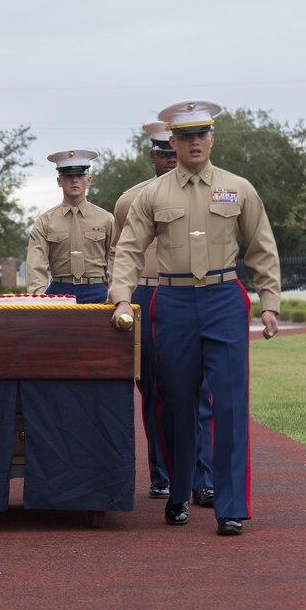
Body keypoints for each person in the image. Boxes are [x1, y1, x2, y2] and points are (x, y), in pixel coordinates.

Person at [110, 100, 280, 536]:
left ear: (212, 138)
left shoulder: (237, 187)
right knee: (176, 403)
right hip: (174, 302)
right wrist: (120, 297)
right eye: (186, 137)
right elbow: (129, 249)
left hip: (224, 298)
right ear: (174, 141)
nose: (195, 143)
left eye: (202, 135)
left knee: (228, 404)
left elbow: (261, 245)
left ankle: (230, 506)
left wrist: (270, 303)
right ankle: (180, 491)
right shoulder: (153, 194)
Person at [109, 123, 214, 504]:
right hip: (147, 295)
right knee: (156, 391)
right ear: (154, 155)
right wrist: (119, 297)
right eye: (164, 154)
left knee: (201, 391)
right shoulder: (130, 201)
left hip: (193, 293)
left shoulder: (208, 192)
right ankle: (162, 474)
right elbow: (119, 254)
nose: (171, 160)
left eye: (175, 153)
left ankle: (204, 477)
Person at [26, 149, 113, 304]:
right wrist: (37, 299)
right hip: (59, 292)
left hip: (97, 291)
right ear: (59, 181)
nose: (74, 180)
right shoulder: (45, 221)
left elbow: (115, 259)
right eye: (68, 175)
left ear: (89, 179)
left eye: (80, 175)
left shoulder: (106, 219)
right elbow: (36, 265)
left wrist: (115, 294)